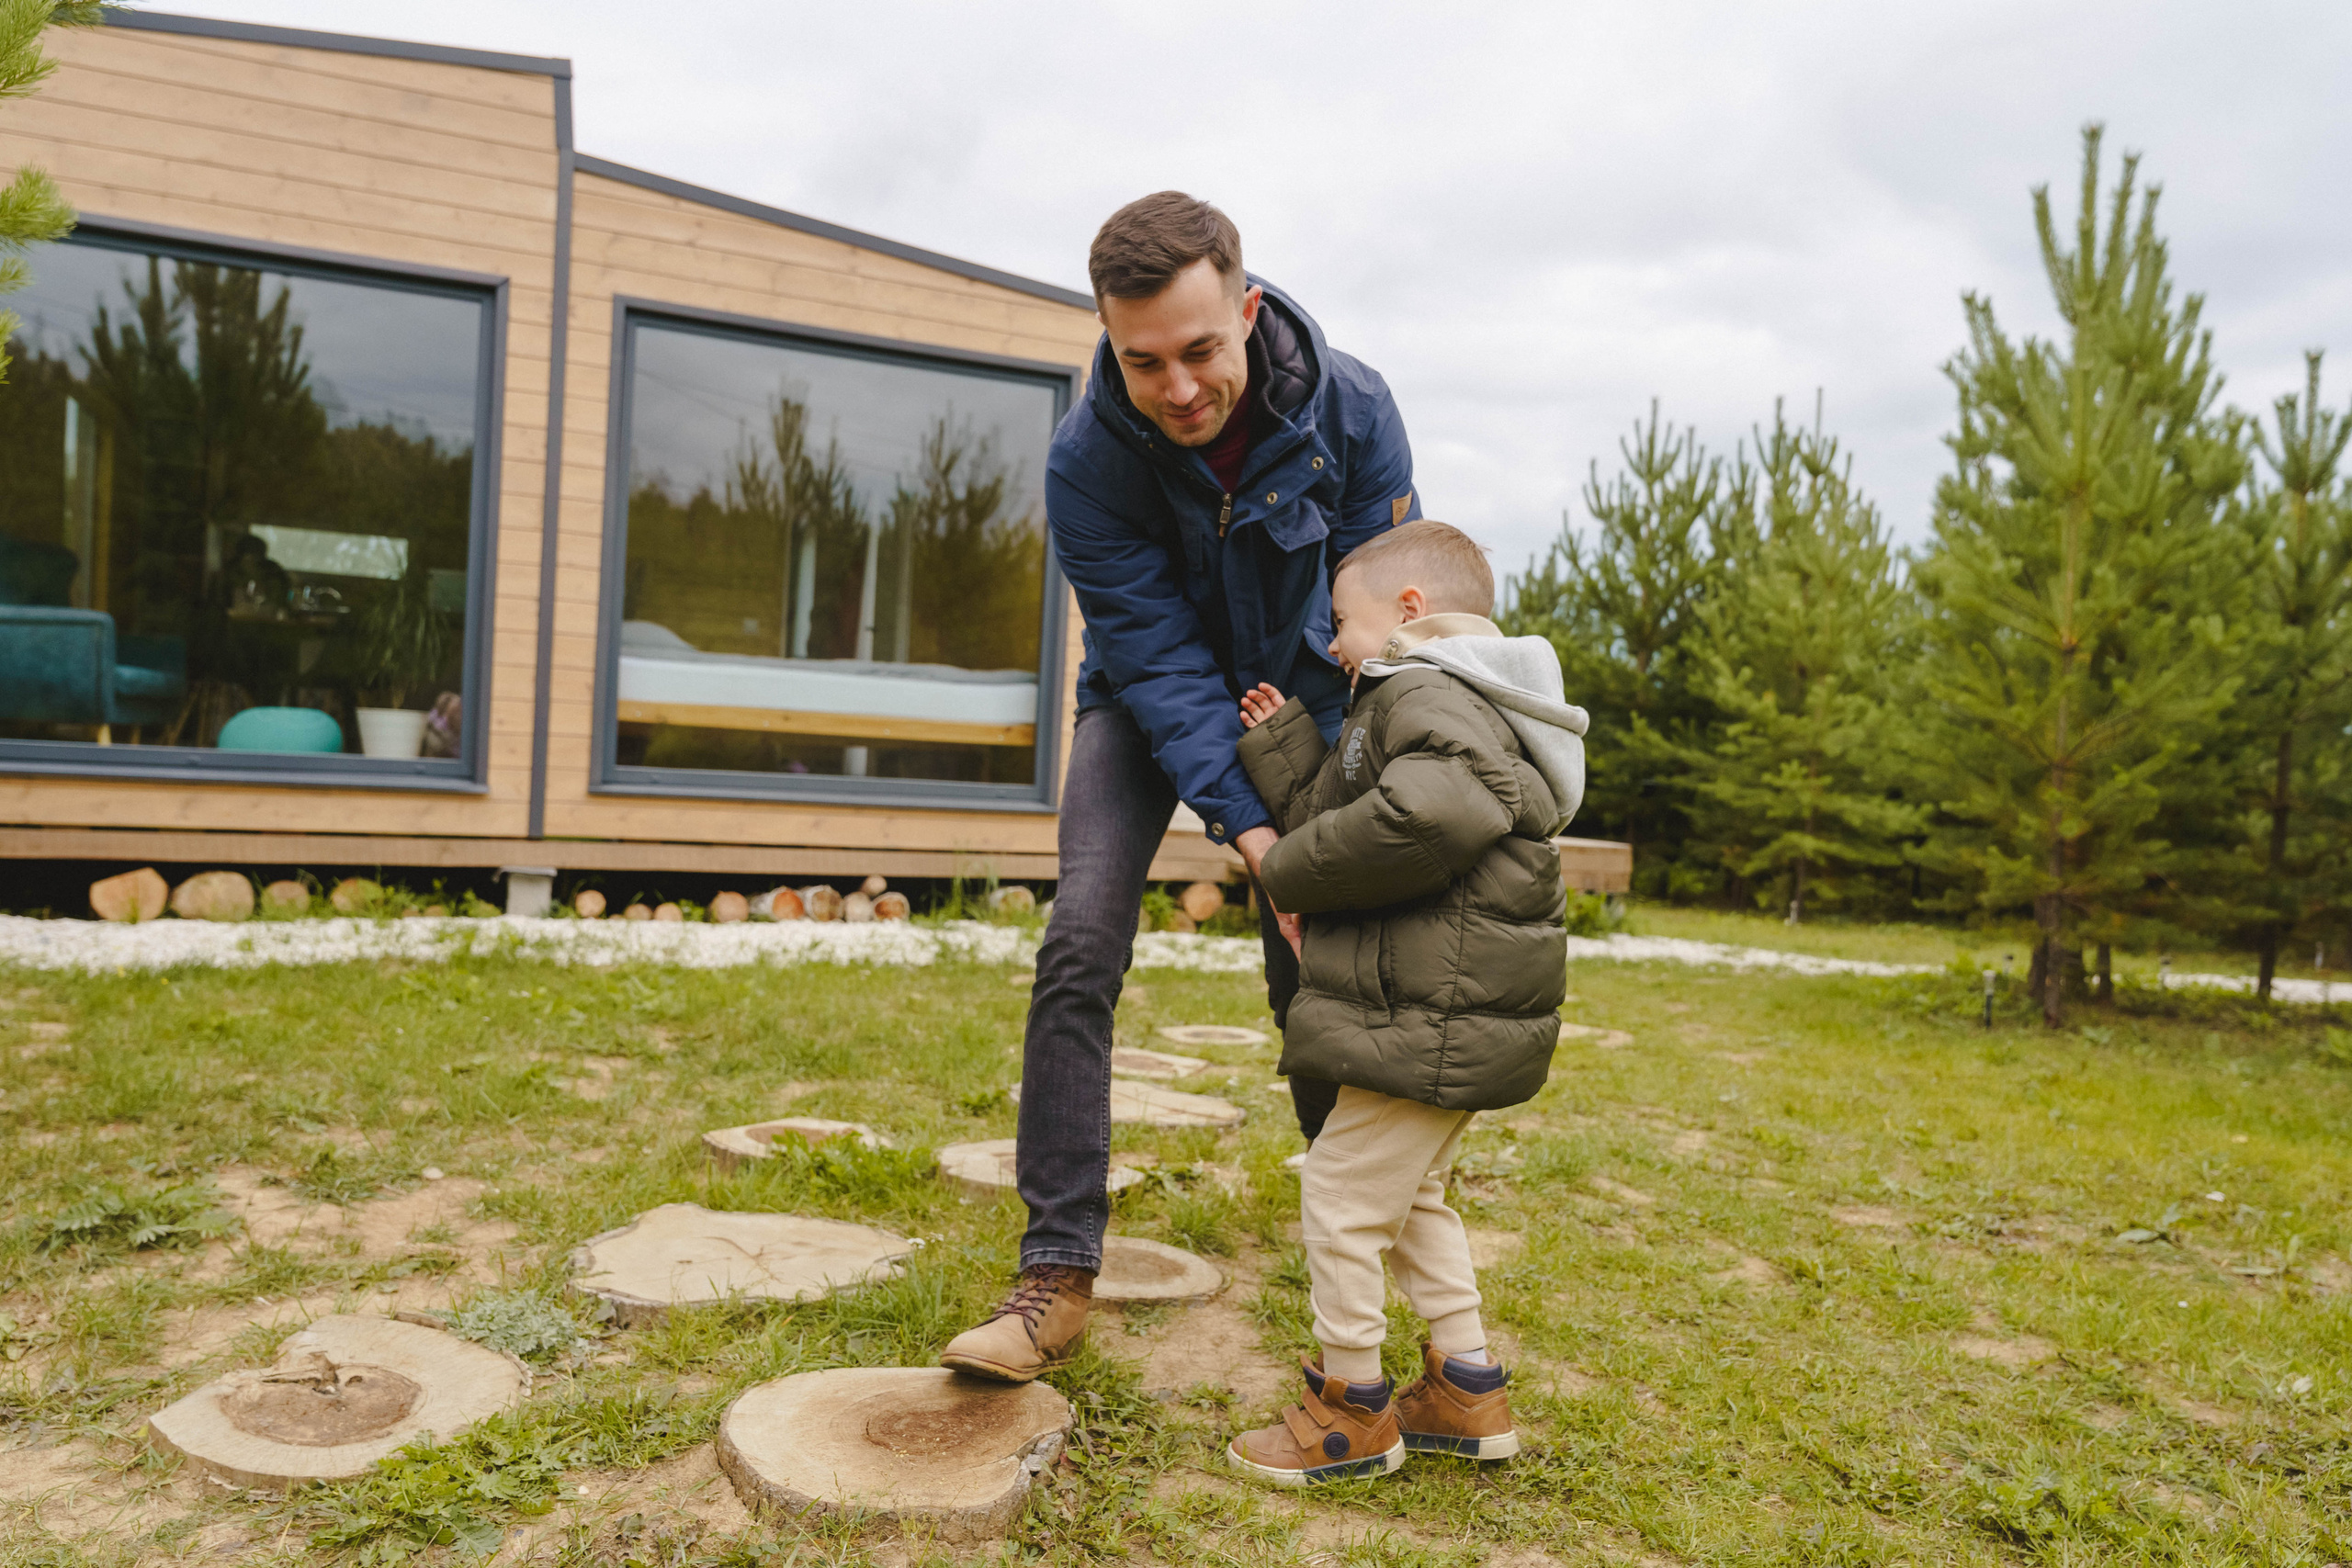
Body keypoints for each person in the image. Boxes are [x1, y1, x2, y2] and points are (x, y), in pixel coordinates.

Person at [939, 191, 1421, 1382]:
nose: (1180, 386)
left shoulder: (1355, 414)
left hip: (1312, 701)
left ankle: (1364, 1239)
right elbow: (1161, 663)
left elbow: (1388, 627)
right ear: (1110, 338)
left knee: (1314, 955)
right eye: (1143, 359)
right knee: (1082, 933)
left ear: (1247, 311)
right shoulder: (1086, 462)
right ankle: (1054, 1272)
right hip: (1146, 700)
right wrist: (1255, 838)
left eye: (1202, 349)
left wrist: (1326, 838)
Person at [1222, 519, 1588, 1485]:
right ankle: (1465, 1390)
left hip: (1430, 1006)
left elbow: (1428, 813)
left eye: (1341, 623)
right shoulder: (1454, 699)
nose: (1331, 643)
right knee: (1414, 1194)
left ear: (1409, 613)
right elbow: (1367, 813)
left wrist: (1287, 873)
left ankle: (1349, 1411)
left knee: (1338, 1193)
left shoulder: (1424, 686)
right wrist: (1288, 751)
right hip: (1450, 1009)